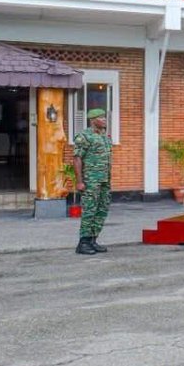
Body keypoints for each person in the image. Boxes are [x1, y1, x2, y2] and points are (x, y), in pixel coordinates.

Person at [73, 107, 112, 255]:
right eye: (101, 118)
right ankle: (83, 243)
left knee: (101, 210)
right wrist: (79, 181)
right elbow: (77, 159)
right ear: (93, 120)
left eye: (104, 117)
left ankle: (93, 240)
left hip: (104, 180)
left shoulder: (105, 137)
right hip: (90, 181)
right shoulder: (84, 136)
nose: (104, 120)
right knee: (89, 210)